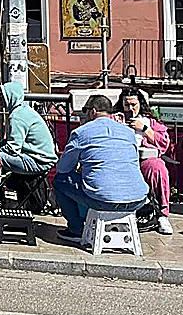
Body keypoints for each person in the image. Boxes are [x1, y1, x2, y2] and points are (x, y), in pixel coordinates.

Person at [52, 95, 150, 242]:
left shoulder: (81, 132)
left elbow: (64, 168)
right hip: (138, 199)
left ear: (92, 111)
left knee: (60, 181)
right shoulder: (128, 132)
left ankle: (75, 229)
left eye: (84, 112)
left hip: (103, 200)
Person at [116, 88, 173, 235]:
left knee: (158, 169)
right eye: (127, 105)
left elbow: (164, 143)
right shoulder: (115, 118)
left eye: (134, 104)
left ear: (140, 104)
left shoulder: (150, 122)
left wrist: (145, 129)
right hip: (120, 159)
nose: (130, 108)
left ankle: (162, 215)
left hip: (143, 158)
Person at [0, 81, 58, 178]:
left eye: (3, 95)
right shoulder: (24, 110)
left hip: (39, 162)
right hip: (41, 159)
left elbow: (13, 149)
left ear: (11, 96)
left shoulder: (17, 117)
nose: (0, 98)